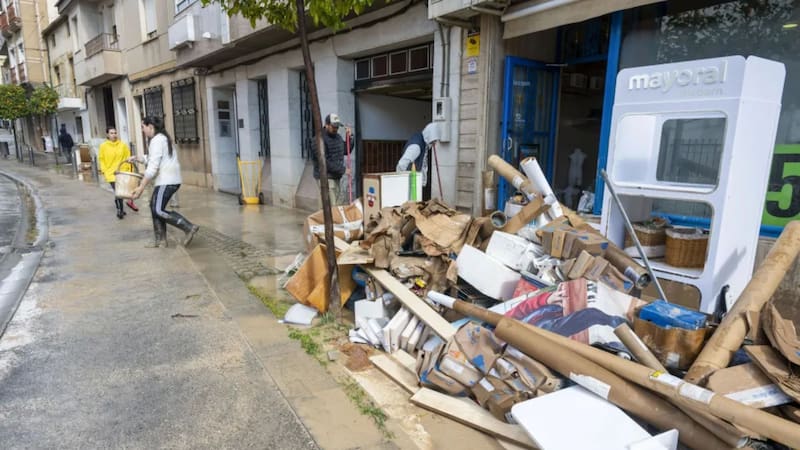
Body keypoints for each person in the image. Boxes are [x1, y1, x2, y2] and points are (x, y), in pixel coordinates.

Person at [128, 116, 199, 248]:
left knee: (158, 210)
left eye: (143, 127)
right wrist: (138, 158)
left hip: (166, 181)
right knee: (154, 207)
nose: (142, 130)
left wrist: (141, 187)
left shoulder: (157, 140)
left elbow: (152, 168)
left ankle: (188, 227)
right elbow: (153, 158)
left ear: (150, 126)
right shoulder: (162, 139)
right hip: (169, 180)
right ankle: (160, 240)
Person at [98, 127, 139, 219]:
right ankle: (119, 210)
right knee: (118, 191)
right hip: (111, 173)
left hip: (122, 172)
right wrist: (104, 170)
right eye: (111, 133)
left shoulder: (123, 145)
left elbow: (128, 158)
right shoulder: (103, 146)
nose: (114, 135)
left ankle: (123, 207)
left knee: (122, 191)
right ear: (107, 135)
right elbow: (101, 159)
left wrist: (129, 171)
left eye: (115, 133)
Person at [311, 113, 347, 207]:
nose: (336, 129)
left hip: (336, 176)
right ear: (326, 125)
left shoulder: (337, 137)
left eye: (337, 127)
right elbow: (324, 162)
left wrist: (350, 138)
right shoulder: (318, 139)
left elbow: (345, 150)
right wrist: (343, 169)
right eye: (333, 126)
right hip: (326, 177)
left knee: (336, 206)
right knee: (330, 207)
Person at [396, 122, 440, 191]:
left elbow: (423, 164)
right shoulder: (416, 146)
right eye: (433, 141)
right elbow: (402, 164)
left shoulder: (423, 142)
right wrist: (401, 182)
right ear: (429, 136)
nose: (434, 144)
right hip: (410, 183)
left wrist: (422, 182)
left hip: (414, 181)